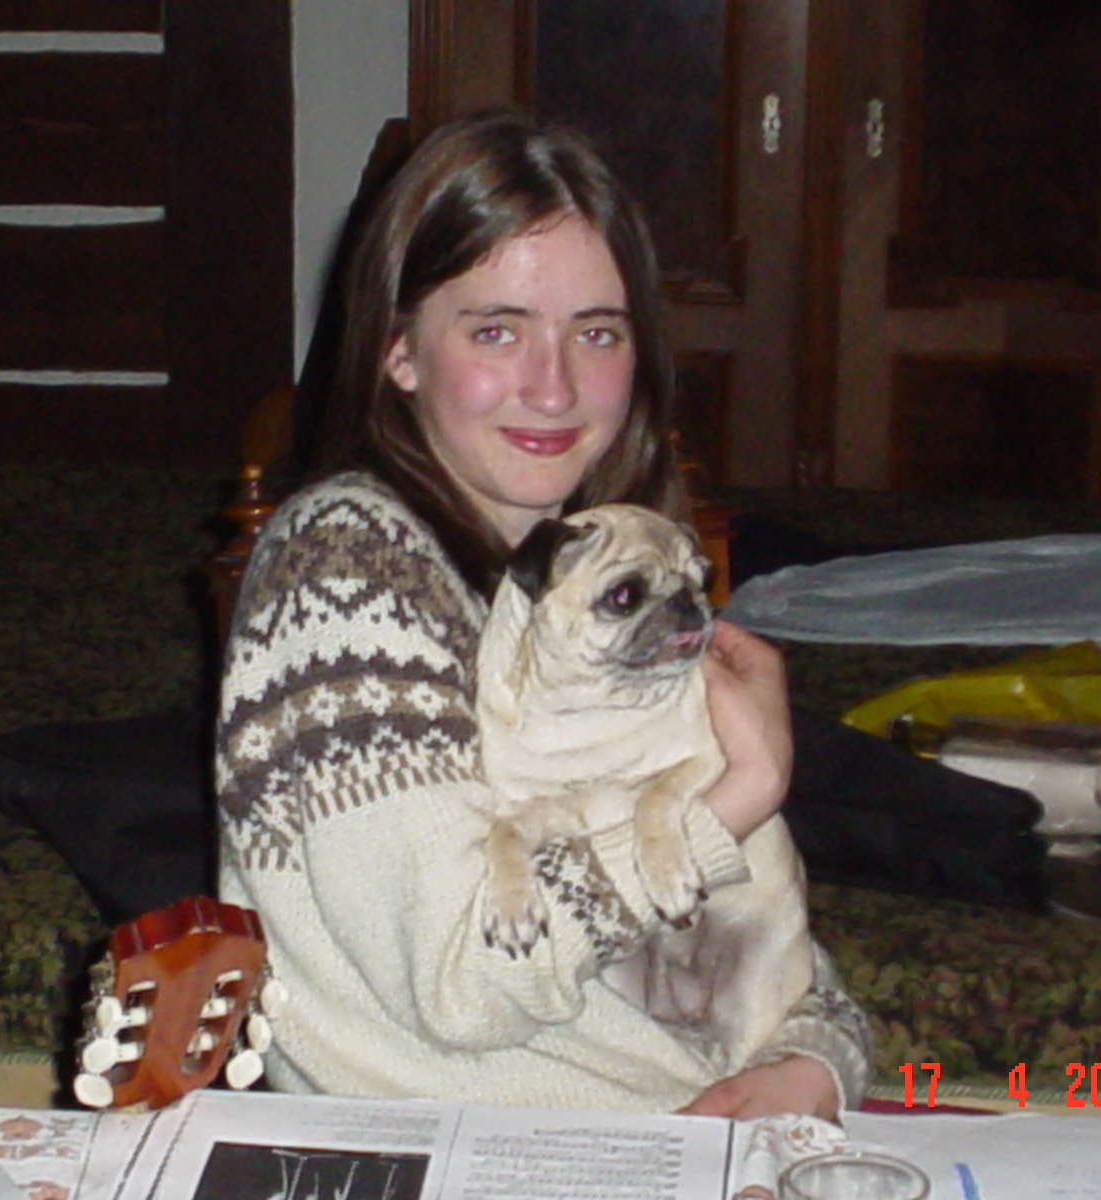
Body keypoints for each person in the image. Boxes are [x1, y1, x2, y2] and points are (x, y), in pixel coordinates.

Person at [215, 108, 872, 1120]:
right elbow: (464, 982)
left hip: (680, 1123)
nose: (555, 387)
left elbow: (759, 922)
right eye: (497, 330)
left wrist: (815, 1062)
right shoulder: (344, 567)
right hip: (486, 1150)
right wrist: (741, 791)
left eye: (596, 332)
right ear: (398, 350)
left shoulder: (603, 555)